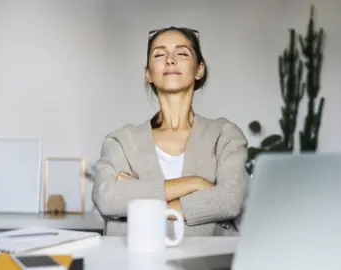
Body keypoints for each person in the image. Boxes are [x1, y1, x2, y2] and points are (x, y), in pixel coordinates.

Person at [92, 26, 249, 237]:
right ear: (148, 73)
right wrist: (195, 183)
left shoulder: (225, 135)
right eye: (159, 54)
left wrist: (140, 195)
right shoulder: (121, 141)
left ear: (199, 69)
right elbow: (107, 198)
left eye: (182, 53)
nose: (170, 60)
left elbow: (230, 200)